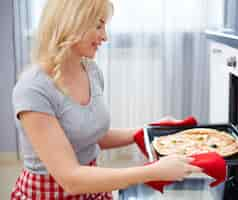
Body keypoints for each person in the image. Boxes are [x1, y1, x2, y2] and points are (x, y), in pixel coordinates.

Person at [10, 0, 202, 199]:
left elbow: (91, 134)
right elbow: (71, 179)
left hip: (92, 187)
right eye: (98, 25)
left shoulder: (90, 70)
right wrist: (153, 171)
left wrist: (147, 129)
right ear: (71, 22)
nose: (105, 36)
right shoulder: (33, 88)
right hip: (50, 192)